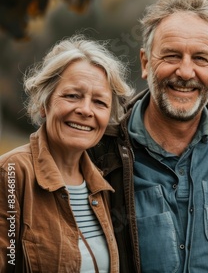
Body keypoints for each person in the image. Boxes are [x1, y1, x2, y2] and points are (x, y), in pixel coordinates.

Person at [88, 0, 208, 272]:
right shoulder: (101, 148)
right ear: (145, 62)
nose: (186, 72)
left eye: (200, 58)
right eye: (172, 56)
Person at [0, 35, 134, 272]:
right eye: (72, 96)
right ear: (44, 103)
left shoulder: (102, 186)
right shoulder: (11, 173)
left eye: (99, 103)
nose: (85, 110)